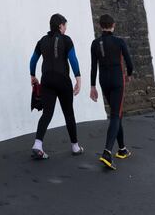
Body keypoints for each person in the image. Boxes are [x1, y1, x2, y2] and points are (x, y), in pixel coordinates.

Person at [29, 13, 83, 159]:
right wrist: (78, 78)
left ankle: (38, 144)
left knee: (47, 113)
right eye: (65, 25)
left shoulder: (42, 41)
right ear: (60, 26)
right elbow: (73, 59)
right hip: (62, 80)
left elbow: (33, 59)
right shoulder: (66, 40)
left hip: (47, 80)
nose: (66, 28)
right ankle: (75, 146)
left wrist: (33, 76)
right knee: (68, 113)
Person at [89, 14, 134, 170]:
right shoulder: (119, 42)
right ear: (113, 25)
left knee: (117, 113)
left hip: (103, 81)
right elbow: (129, 62)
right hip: (117, 81)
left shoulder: (95, 43)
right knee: (115, 115)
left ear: (100, 25)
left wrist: (92, 86)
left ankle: (122, 149)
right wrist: (128, 75)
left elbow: (93, 67)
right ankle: (107, 152)